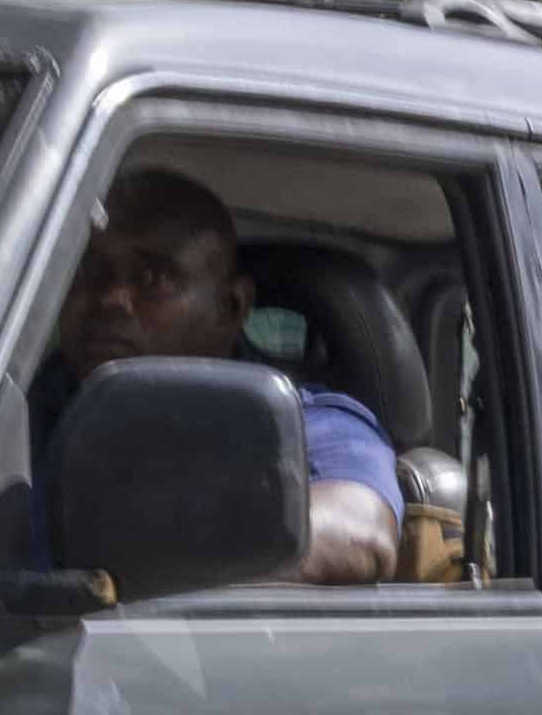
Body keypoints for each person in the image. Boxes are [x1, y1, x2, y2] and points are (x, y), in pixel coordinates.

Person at [33, 166, 401, 587]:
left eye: (154, 278)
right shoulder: (0, 405)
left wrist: (154, 560)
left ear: (232, 306)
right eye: (87, 272)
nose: (111, 299)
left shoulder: (303, 424)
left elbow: (359, 531)